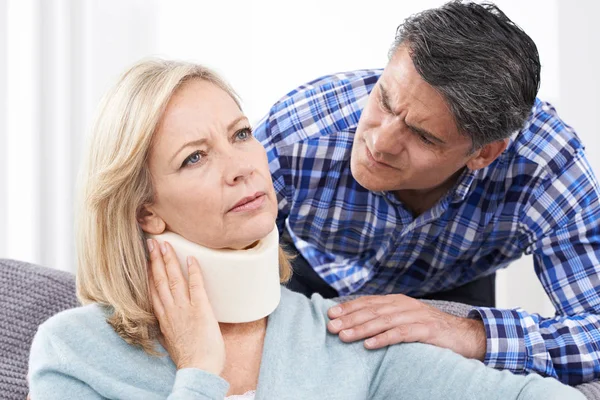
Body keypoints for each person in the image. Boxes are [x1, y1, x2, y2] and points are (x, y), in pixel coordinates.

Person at [26, 59, 582, 399]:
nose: (245, 164)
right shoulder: (74, 350)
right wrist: (199, 373)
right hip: (316, 267)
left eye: (242, 134)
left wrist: (472, 333)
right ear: (145, 211)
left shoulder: (348, 344)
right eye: (195, 157)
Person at [253, 0, 600, 386]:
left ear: (483, 153)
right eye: (384, 100)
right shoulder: (298, 133)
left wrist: (472, 334)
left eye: (422, 135)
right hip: (311, 270)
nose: (379, 143)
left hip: (453, 286)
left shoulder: (547, 167)